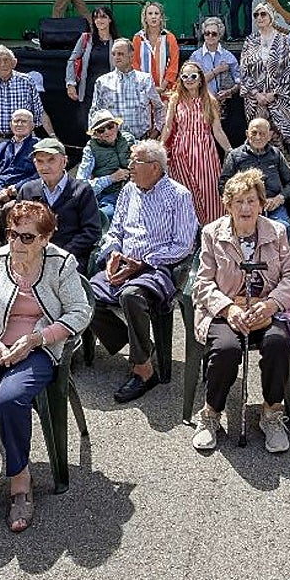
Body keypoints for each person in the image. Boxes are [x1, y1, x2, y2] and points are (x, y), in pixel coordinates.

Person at [0, 201, 92, 531]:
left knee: (9, 399)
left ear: (46, 238)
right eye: (13, 234)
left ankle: (20, 479)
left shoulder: (61, 263)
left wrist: (37, 339)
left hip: (37, 348)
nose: (17, 242)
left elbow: (79, 312)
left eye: (27, 237)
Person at [190, 170, 290, 452]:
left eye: (251, 201)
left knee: (277, 343)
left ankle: (272, 413)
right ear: (228, 205)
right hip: (225, 309)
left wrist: (272, 303)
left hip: (265, 308)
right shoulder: (212, 233)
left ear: (261, 204)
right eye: (238, 202)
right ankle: (210, 413)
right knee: (226, 349)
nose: (245, 208)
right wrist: (228, 309)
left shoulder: (276, 232)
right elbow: (202, 282)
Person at [88, 140, 198, 403]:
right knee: (84, 294)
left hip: (157, 268)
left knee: (132, 296)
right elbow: (115, 230)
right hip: (124, 264)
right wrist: (113, 253)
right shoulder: (128, 190)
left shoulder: (179, 195)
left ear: (155, 167)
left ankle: (143, 370)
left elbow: (184, 245)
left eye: (135, 161)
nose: (130, 166)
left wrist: (143, 262)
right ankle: (141, 346)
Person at [160, 62, 232, 225]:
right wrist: (161, 146)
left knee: (209, 192)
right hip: (181, 151)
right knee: (186, 193)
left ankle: (212, 230)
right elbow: (168, 126)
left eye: (193, 76)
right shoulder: (175, 99)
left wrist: (229, 150)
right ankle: (189, 232)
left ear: (200, 79)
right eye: (184, 76)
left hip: (205, 151)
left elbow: (217, 130)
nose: (189, 79)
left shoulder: (209, 100)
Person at [0, 110, 40, 251]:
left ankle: (13, 251)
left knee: (9, 210)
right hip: (0, 192)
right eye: (16, 121)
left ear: (32, 126)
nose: (19, 124)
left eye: (24, 121)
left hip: (22, 194)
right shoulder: (3, 147)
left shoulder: (38, 147)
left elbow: (39, 174)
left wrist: (17, 188)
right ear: (11, 125)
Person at [218, 118, 290, 228]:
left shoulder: (276, 154)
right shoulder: (235, 156)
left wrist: (279, 198)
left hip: (273, 207)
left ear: (269, 136)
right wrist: (240, 202)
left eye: (262, 134)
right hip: (245, 208)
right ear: (247, 134)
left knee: (283, 228)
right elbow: (223, 185)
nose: (258, 137)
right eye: (254, 133)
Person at [240, 2, 290, 148]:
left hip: (277, 100)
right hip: (255, 100)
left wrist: (275, 94)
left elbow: (289, 70)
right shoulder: (250, 40)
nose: (259, 17)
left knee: (278, 142)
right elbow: (244, 71)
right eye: (256, 15)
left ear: (271, 16)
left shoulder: (284, 40)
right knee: (257, 138)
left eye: (263, 14)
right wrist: (256, 94)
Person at [0, 46, 48, 161]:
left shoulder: (27, 81)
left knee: (24, 171)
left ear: (14, 63)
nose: (2, 64)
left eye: (6, 60)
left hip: (23, 140)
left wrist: (51, 135)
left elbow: (38, 111)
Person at [65, 5, 120, 147]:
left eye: (103, 17)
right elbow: (72, 60)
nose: (99, 20)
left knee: (110, 127)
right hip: (88, 92)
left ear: (110, 20)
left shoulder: (118, 41)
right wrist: (70, 83)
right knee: (90, 128)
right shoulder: (86, 38)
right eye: (96, 17)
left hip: (110, 93)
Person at [90, 38, 164, 140]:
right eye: (113, 54)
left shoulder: (145, 80)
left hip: (140, 141)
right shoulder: (102, 82)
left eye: (120, 54)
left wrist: (156, 132)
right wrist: (97, 138)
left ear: (131, 55)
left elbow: (159, 107)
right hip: (112, 143)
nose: (116, 57)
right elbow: (95, 112)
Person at [189, 15, 243, 143]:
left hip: (225, 106)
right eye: (207, 33)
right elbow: (194, 81)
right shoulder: (196, 57)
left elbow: (240, 81)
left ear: (220, 36)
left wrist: (229, 92)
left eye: (214, 34)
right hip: (202, 103)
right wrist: (217, 70)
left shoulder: (228, 56)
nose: (210, 36)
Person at [77, 109, 135, 222]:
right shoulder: (90, 149)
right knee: (106, 215)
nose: (107, 132)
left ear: (117, 126)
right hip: (109, 195)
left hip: (135, 189)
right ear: (95, 134)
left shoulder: (129, 139)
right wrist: (111, 178)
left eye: (110, 126)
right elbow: (81, 184)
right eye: (101, 130)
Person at [132, 1, 181, 99]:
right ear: (145, 18)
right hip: (143, 92)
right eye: (150, 14)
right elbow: (134, 64)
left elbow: (173, 65)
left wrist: (162, 87)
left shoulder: (169, 38)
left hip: (165, 91)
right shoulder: (138, 38)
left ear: (161, 17)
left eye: (156, 13)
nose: (153, 16)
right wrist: (146, 87)